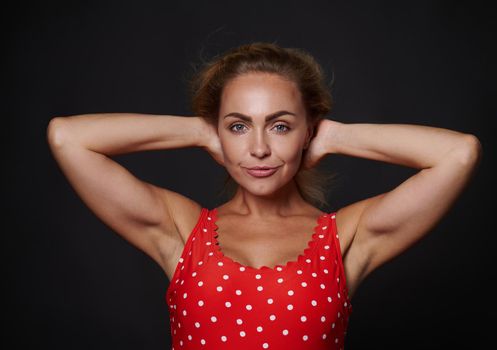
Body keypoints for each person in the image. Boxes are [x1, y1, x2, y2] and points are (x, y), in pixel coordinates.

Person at [47, 42, 482, 350]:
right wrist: (200, 131)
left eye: (280, 125)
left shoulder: (347, 236)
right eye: (238, 126)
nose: (258, 148)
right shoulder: (181, 229)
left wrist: (333, 136)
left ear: (306, 131)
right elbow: (68, 138)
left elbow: (457, 154)